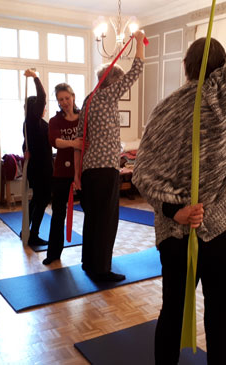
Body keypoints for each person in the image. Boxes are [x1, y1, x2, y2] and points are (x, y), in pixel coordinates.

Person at [132, 0, 226, 363]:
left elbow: (142, 173)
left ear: (185, 67)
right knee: (223, 323)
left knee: (173, 316)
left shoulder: (165, 110)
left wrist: (173, 211)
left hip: (180, 235)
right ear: (223, 67)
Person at [74, 30, 145, 282]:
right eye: (119, 83)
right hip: (105, 170)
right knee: (106, 221)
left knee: (93, 219)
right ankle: (101, 270)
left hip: (90, 170)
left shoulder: (88, 99)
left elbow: (81, 141)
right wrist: (139, 41)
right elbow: (137, 70)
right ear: (112, 82)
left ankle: (88, 263)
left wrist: (77, 174)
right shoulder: (107, 94)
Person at [42, 83, 83, 265]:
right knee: (58, 214)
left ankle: (90, 256)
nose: (65, 102)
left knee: (89, 211)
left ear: (73, 97)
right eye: (61, 99)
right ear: (57, 102)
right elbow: (55, 141)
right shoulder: (55, 121)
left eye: (67, 98)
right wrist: (74, 143)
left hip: (83, 172)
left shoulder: (83, 118)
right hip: (61, 173)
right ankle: (53, 254)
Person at [23, 69, 53, 246]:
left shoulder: (33, 123)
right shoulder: (33, 121)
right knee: (41, 201)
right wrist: (35, 77)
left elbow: (26, 142)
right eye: (42, 107)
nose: (44, 108)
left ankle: (25, 230)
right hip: (40, 168)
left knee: (37, 200)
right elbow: (42, 95)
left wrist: (26, 149)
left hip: (40, 166)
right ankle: (33, 235)